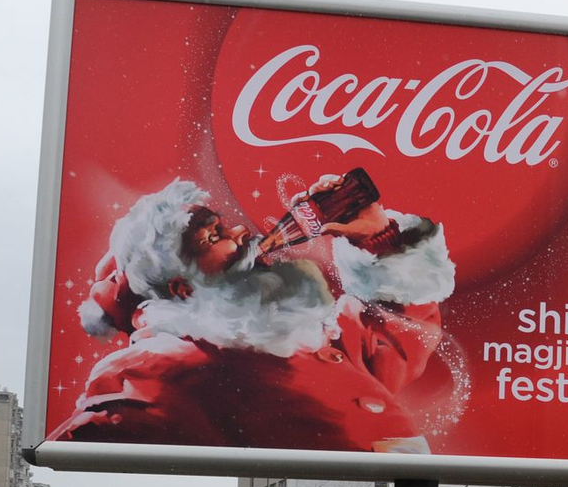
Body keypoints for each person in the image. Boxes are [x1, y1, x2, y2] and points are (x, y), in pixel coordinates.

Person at [52, 173, 457, 453]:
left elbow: (398, 332)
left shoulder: (305, 341)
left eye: (225, 226)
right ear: (183, 287)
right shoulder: (158, 368)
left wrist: (376, 236)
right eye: (213, 237)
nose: (241, 233)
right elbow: (89, 439)